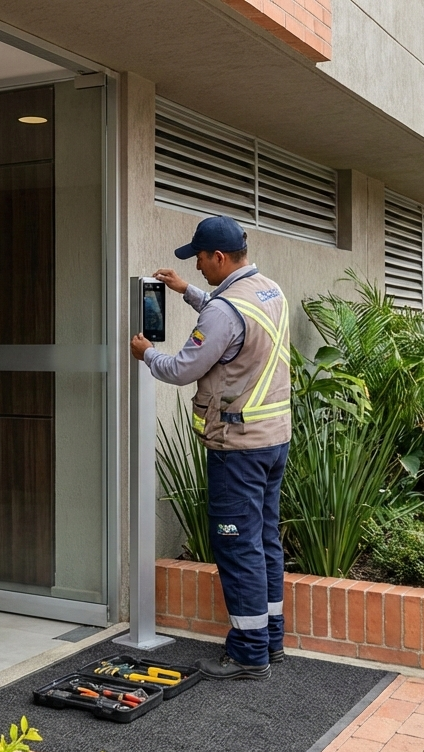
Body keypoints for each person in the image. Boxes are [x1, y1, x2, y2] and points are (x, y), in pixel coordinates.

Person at [130, 215, 290, 682]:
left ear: (219, 257)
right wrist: (185, 291)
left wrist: (146, 353)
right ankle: (270, 639)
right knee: (263, 540)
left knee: (237, 547)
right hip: (272, 440)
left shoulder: (224, 311)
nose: (196, 266)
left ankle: (247, 653)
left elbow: (182, 368)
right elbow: (232, 320)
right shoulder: (268, 291)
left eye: (199, 258)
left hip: (237, 446)